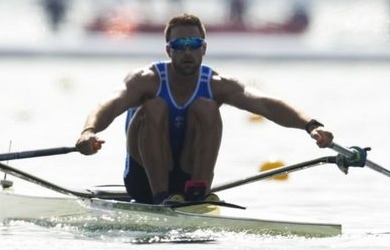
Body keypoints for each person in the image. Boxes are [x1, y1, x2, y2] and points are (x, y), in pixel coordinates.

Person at [75, 13, 334, 205]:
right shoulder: (147, 80)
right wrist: (88, 132)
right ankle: (161, 197)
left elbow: (266, 104)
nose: (187, 51)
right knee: (155, 107)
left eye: (194, 44)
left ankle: (197, 193)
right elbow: (109, 104)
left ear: (204, 48)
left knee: (207, 107)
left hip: (187, 173)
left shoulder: (215, 84)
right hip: (143, 181)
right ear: (169, 50)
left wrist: (312, 126)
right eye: (179, 46)